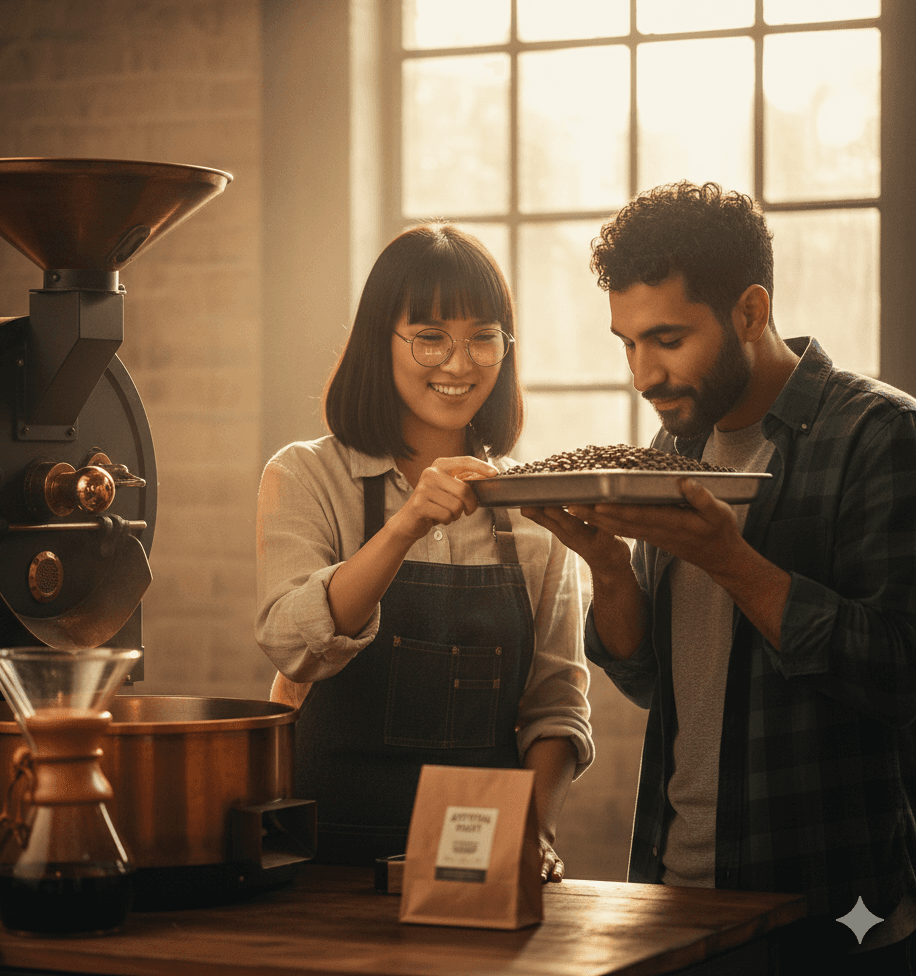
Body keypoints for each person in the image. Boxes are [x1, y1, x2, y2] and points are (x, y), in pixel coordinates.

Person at [524, 181, 916, 971]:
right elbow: (652, 680)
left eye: (667, 338)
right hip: (676, 892)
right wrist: (607, 565)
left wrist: (731, 561)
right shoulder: (676, 451)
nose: (644, 374)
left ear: (749, 311)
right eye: (627, 342)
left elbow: (898, 671)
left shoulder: (880, 436)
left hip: (838, 916)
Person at [255, 223, 594, 881]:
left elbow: (555, 707)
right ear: (378, 343)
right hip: (319, 855)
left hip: (476, 861)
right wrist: (404, 525)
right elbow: (290, 644)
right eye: (430, 336)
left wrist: (534, 833)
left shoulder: (535, 508)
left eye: (482, 337)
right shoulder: (304, 476)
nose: (460, 363)